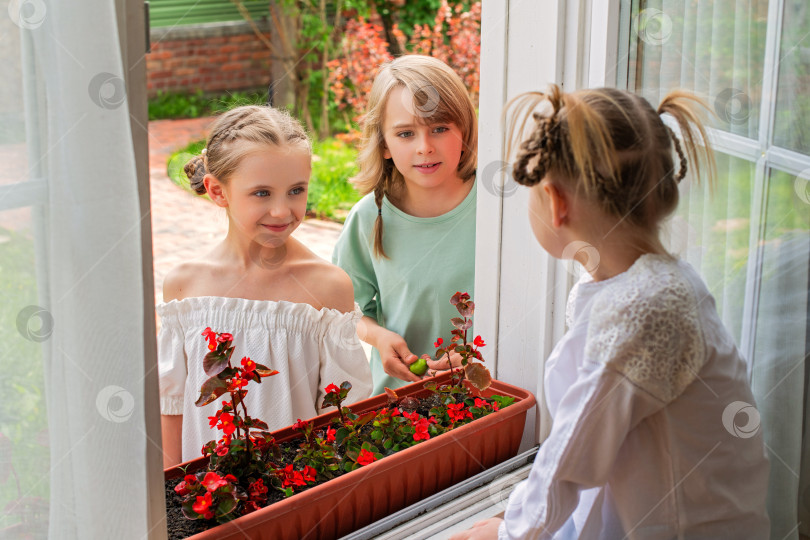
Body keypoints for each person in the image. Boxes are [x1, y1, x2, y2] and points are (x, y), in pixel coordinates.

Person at [451, 86, 769, 539]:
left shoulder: (645, 311)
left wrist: (506, 534)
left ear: (557, 204)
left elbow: (570, 459)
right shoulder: (645, 282)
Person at [158, 105, 372, 467]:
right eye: (261, 193)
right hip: (209, 499)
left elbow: (344, 414)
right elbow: (172, 405)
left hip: (296, 496)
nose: (281, 211)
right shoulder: (185, 288)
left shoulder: (327, 287)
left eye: (295, 190)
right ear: (217, 191)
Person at [332, 55, 478, 395]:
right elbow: (345, 310)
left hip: (491, 394)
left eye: (440, 129)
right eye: (405, 133)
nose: (425, 147)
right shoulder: (369, 216)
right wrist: (379, 338)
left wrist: (479, 351)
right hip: (402, 404)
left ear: (465, 129)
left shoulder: (499, 210)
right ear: (384, 144)